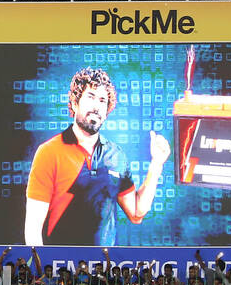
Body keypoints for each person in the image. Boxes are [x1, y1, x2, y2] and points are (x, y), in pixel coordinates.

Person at [24, 67, 171, 246]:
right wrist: (43, 269)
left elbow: (136, 213)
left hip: (104, 269)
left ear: (107, 110)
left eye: (102, 100)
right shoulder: (49, 152)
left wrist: (157, 164)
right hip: (60, 268)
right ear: (75, 102)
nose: (96, 106)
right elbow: (33, 228)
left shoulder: (116, 156)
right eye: (91, 97)